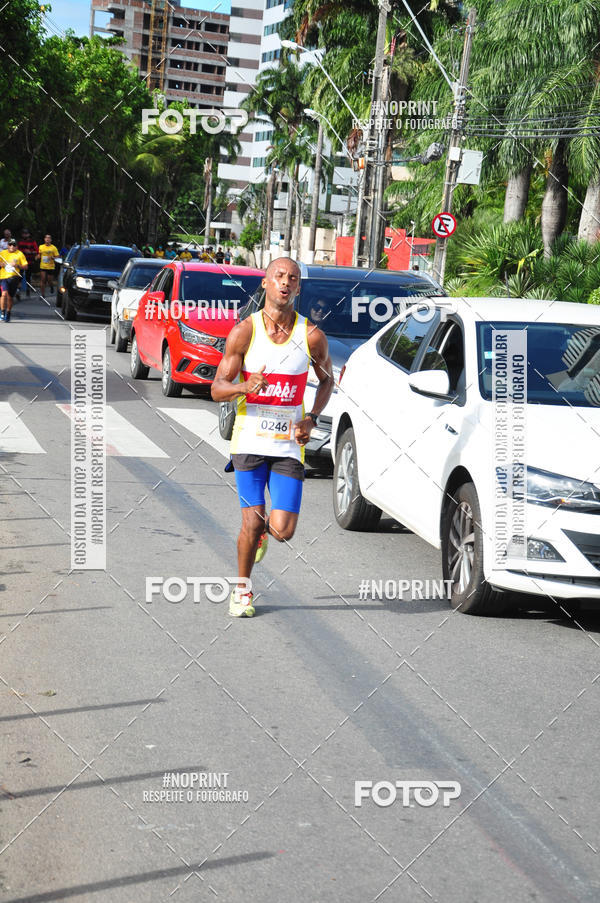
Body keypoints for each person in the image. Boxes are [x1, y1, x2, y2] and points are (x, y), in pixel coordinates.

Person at [211, 257, 334, 617]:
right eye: (278, 276)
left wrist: (311, 417)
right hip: (249, 440)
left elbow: (327, 381)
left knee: (282, 531)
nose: (285, 283)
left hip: (287, 445)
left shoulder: (310, 336)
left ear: (298, 288)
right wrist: (243, 386)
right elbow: (217, 389)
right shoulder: (244, 332)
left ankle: (265, 533)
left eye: (292, 279)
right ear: (265, 283)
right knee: (251, 519)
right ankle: (242, 591)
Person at [0, 238, 28, 321]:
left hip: (14, 278)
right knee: (4, 294)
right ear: (8, 246)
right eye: (10, 244)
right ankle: (2, 312)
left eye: (14, 245)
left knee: (10, 297)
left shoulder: (19, 254)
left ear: (16, 246)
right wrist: (2, 264)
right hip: (3, 277)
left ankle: (8, 313)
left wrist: (17, 265)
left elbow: (26, 266)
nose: (12, 246)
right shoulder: (2, 253)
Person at [17, 229, 38, 296]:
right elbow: (16, 250)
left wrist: (31, 252)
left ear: (29, 234)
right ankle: (18, 291)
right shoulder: (20, 241)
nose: (25, 235)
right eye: (23, 234)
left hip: (30, 261)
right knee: (19, 276)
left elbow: (37, 251)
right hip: (21, 262)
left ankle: (28, 290)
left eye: (26, 233)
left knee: (28, 277)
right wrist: (23, 251)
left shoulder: (32, 241)